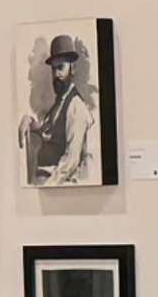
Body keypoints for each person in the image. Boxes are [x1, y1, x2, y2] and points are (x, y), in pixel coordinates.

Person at [23, 33, 100, 185]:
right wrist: (30, 122)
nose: (56, 74)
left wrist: (47, 186)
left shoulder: (76, 106)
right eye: (53, 69)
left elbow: (70, 161)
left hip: (58, 182)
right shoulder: (60, 102)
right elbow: (49, 132)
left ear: (73, 68)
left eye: (61, 68)